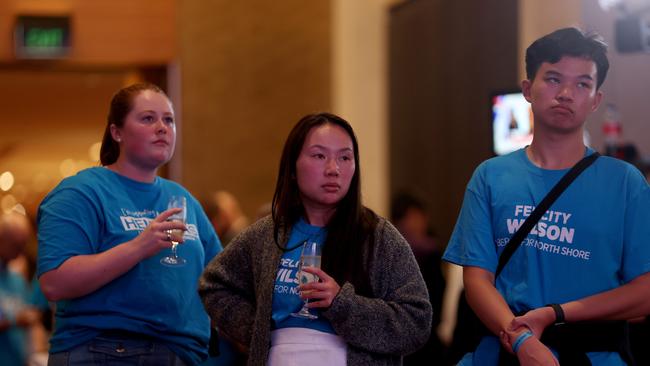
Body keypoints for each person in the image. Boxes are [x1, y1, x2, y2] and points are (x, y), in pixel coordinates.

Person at [442, 27, 650, 365]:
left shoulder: (626, 183)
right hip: (505, 351)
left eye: (582, 83)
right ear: (528, 89)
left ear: (596, 99)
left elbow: (645, 292)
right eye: (553, 79)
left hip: (595, 355)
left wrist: (555, 314)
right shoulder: (490, 177)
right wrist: (523, 340)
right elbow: (477, 279)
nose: (566, 93)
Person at [199, 112, 432, 365]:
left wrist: (342, 304)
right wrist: (260, 330)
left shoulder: (379, 238)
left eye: (345, 157)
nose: (333, 169)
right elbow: (213, 285)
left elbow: (417, 322)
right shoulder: (267, 234)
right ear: (292, 167)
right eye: (320, 156)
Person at [37, 82, 222, 365]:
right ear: (117, 132)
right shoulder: (82, 192)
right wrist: (138, 248)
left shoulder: (183, 200)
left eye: (168, 120)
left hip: (183, 353)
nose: (162, 127)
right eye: (148, 118)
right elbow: (55, 283)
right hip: (105, 351)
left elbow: (220, 279)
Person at [390, 192, 447, 365]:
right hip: (399, 336)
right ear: (399, 221)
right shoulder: (390, 253)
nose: (416, 222)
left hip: (429, 336)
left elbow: (438, 296)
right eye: (410, 217)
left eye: (419, 216)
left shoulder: (433, 253)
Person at [0, 212, 43, 366]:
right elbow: (20, 317)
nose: (21, 251)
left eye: (23, 245)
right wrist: (16, 320)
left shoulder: (17, 280)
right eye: (16, 245)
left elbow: (31, 315)